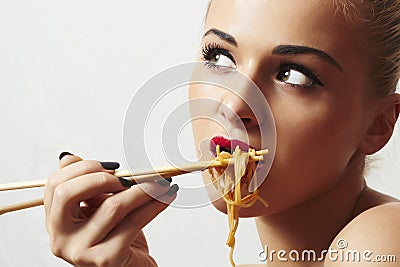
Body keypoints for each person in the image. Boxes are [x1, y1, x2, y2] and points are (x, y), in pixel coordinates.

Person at [44, 0, 400, 266]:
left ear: (378, 123)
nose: (234, 105)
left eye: (294, 75)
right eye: (220, 58)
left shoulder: (384, 241)